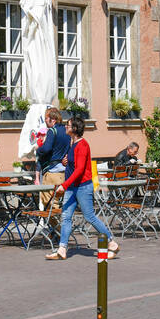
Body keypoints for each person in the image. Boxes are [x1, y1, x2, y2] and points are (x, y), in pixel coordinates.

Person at [46, 117, 119, 261]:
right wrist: (65, 161)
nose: (65, 127)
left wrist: (64, 185)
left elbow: (80, 170)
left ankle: (112, 243)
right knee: (66, 216)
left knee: (89, 216)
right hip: (72, 186)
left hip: (83, 186)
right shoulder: (72, 143)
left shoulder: (83, 145)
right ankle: (62, 249)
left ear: (74, 128)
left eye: (68, 125)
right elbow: (73, 164)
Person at [36, 107, 70, 227]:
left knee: (48, 204)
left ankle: (59, 231)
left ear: (53, 120)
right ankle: (55, 232)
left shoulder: (52, 131)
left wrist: (38, 149)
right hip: (64, 173)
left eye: (46, 118)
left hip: (51, 172)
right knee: (58, 204)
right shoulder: (66, 131)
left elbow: (47, 149)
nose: (45, 121)